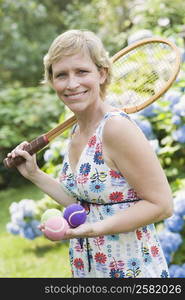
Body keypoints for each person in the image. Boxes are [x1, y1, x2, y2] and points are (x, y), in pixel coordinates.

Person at [8, 29, 173, 278]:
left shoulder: (116, 128)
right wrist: (34, 174)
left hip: (130, 269)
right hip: (91, 268)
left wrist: (93, 229)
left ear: (102, 73)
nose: (72, 84)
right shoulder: (77, 129)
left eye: (82, 72)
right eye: (61, 75)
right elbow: (87, 205)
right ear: (52, 81)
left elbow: (162, 205)